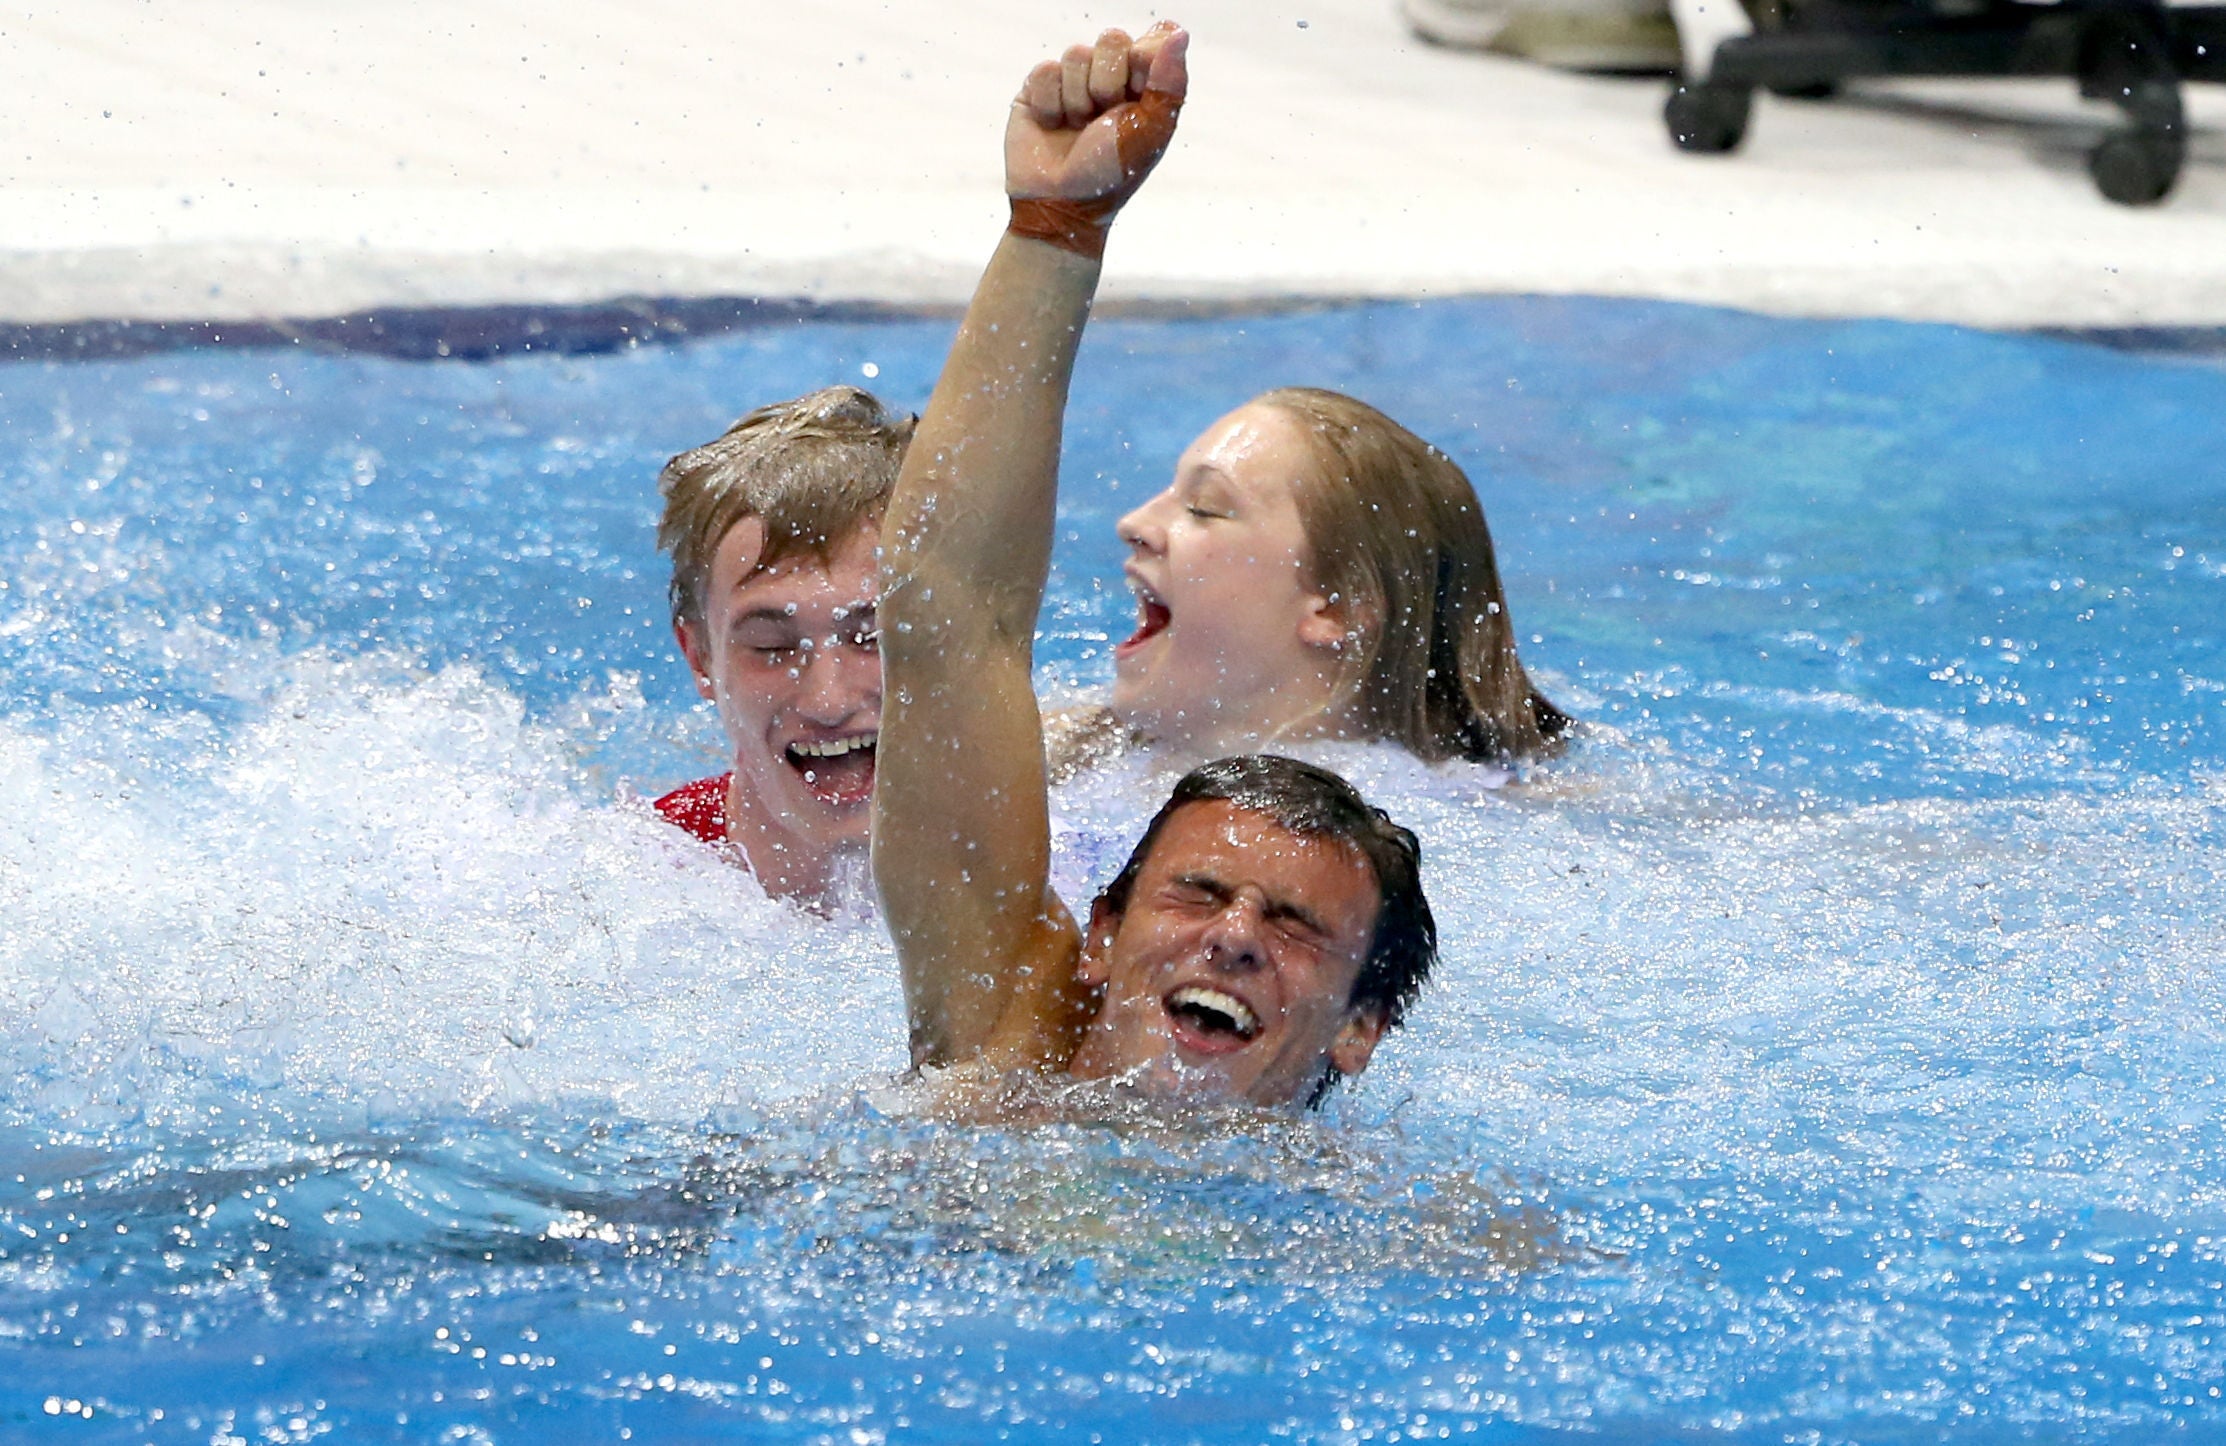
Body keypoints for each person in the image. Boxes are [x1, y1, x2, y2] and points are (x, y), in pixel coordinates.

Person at [875, 22, 1438, 1111]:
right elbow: (951, 619)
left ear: (1361, 1027)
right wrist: (1054, 228)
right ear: (1096, 937)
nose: (1232, 940)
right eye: (1198, 894)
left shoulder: (1401, 1243)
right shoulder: (1003, 1048)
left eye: (1295, 925)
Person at [652, 386, 910, 907]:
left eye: (870, 638)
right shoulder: (636, 880)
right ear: (700, 659)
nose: (829, 702)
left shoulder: (1059, 869)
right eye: (773, 648)